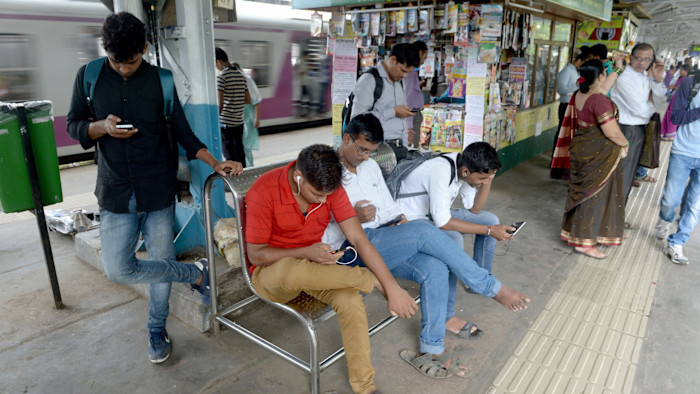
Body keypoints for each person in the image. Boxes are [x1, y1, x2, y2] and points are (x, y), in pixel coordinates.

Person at [66, 12, 243, 364]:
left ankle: (156, 328)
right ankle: (195, 273)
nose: (124, 69)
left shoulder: (161, 81)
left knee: (160, 263)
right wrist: (100, 127)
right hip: (115, 191)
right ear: (106, 51)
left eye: (131, 62)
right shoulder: (89, 76)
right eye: (117, 62)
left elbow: (182, 132)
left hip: (157, 190)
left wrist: (214, 161)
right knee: (118, 269)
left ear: (144, 49)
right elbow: (73, 125)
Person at [322, 114, 530, 379]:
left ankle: (432, 348)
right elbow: (318, 217)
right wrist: (351, 216)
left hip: (387, 238)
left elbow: (389, 206)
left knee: (435, 267)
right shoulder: (328, 171)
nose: (365, 156)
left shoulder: (371, 167)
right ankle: (491, 288)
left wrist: (400, 221)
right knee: (425, 230)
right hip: (354, 247)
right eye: (362, 149)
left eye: (371, 152)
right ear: (346, 138)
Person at [244, 144, 418, 394]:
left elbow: (359, 239)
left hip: (317, 269)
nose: (324, 201)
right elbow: (256, 255)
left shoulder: (329, 188)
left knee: (351, 301)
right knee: (291, 270)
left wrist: (391, 286)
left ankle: (365, 386)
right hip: (272, 276)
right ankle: (368, 279)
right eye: (317, 194)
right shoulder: (265, 189)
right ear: (298, 177)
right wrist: (306, 252)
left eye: (329, 194)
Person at [396, 142, 514, 274]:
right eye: (482, 178)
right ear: (465, 172)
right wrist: (489, 231)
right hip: (410, 219)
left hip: (432, 215)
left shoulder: (464, 169)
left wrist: (488, 179)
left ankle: (481, 277)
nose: (484, 182)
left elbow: (475, 209)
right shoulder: (441, 169)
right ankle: (448, 294)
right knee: (454, 239)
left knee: (490, 220)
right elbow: (443, 222)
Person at [557, 60, 629, 259]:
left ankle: (576, 234)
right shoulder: (599, 100)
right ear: (598, 76)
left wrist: (616, 70)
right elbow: (612, 132)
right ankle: (583, 243)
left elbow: (602, 88)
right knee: (592, 196)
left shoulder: (580, 94)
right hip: (597, 153)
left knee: (583, 195)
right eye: (604, 73)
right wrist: (625, 144)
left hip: (582, 149)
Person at [610, 43, 666, 208]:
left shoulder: (643, 77)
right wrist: (651, 106)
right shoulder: (625, 77)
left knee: (628, 176)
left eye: (647, 59)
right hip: (626, 130)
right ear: (630, 58)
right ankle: (611, 223)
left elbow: (660, 102)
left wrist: (657, 80)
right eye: (638, 58)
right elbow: (639, 109)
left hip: (638, 130)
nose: (642, 62)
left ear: (652, 60)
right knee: (622, 176)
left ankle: (616, 220)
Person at [654, 75, 700, 265]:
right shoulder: (692, 84)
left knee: (694, 205)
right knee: (670, 200)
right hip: (683, 151)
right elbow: (676, 116)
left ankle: (677, 242)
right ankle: (665, 220)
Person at [350, 43, 421, 161]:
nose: (405, 75)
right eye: (403, 70)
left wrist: (405, 144)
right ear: (393, 60)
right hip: (379, 150)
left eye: (408, 72)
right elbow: (357, 120)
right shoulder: (369, 80)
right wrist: (392, 112)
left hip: (399, 149)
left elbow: (401, 121)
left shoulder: (400, 81)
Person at [216, 47, 250, 166]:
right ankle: (243, 177)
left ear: (218, 62)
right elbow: (248, 99)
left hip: (226, 122)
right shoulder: (241, 75)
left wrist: (216, 119)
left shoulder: (221, 77)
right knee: (239, 151)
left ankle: (232, 181)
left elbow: (220, 103)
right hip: (239, 121)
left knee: (229, 154)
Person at [555, 52, 587, 140]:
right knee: (562, 130)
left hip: (574, 105)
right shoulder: (567, 70)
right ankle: (556, 152)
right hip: (566, 104)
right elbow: (561, 89)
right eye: (583, 64)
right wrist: (575, 86)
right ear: (579, 61)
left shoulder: (576, 72)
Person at [236, 64, 261, 167]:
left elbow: (256, 100)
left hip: (248, 119)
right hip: (238, 119)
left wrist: (256, 118)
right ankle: (244, 166)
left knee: (246, 146)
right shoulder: (234, 82)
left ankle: (249, 166)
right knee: (240, 146)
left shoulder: (247, 80)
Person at [405, 41, 428, 148]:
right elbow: (407, 100)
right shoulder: (410, 72)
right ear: (419, 53)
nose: (424, 61)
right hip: (410, 117)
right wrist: (409, 128)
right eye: (424, 57)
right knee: (411, 150)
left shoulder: (411, 71)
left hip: (411, 116)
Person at [660, 64, 691, 141]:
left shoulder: (686, 79)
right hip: (674, 98)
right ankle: (665, 132)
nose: (680, 71)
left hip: (678, 99)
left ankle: (670, 134)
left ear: (686, 71)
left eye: (681, 70)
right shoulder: (681, 78)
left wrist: (673, 87)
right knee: (669, 114)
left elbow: (683, 89)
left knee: (673, 115)